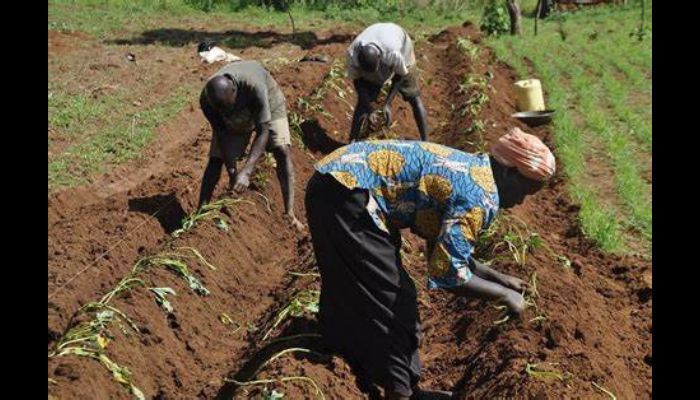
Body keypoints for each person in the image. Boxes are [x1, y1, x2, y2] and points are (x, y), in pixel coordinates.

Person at [305, 128, 556, 399]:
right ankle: (400, 392)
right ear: (509, 172)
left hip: (337, 181)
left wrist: (499, 278)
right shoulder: (478, 196)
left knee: (348, 280)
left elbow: (449, 251)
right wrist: (505, 295)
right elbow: (448, 273)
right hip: (349, 190)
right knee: (395, 298)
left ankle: (340, 347)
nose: (520, 201)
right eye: (524, 192)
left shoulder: (474, 170)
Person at [197, 60, 303, 230]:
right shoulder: (207, 101)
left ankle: (289, 213)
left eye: (227, 107)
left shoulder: (255, 87)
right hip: (234, 110)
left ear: (234, 91)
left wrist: (246, 172)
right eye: (221, 110)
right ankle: (201, 212)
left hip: (269, 100)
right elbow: (221, 133)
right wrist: (232, 170)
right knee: (215, 159)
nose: (225, 112)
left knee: (281, 149)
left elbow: (263, 131)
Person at [346, 22, 429, 142]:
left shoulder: (393, 53)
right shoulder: (352, 53)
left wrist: (388, 104)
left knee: (413, 97)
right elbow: (358, 81)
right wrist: (369, 109)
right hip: (379, 36)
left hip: (402, 43)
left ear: (380, 58)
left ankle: (426, 141)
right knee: (363, 101)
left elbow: (400, 75)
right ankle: (352, 142)